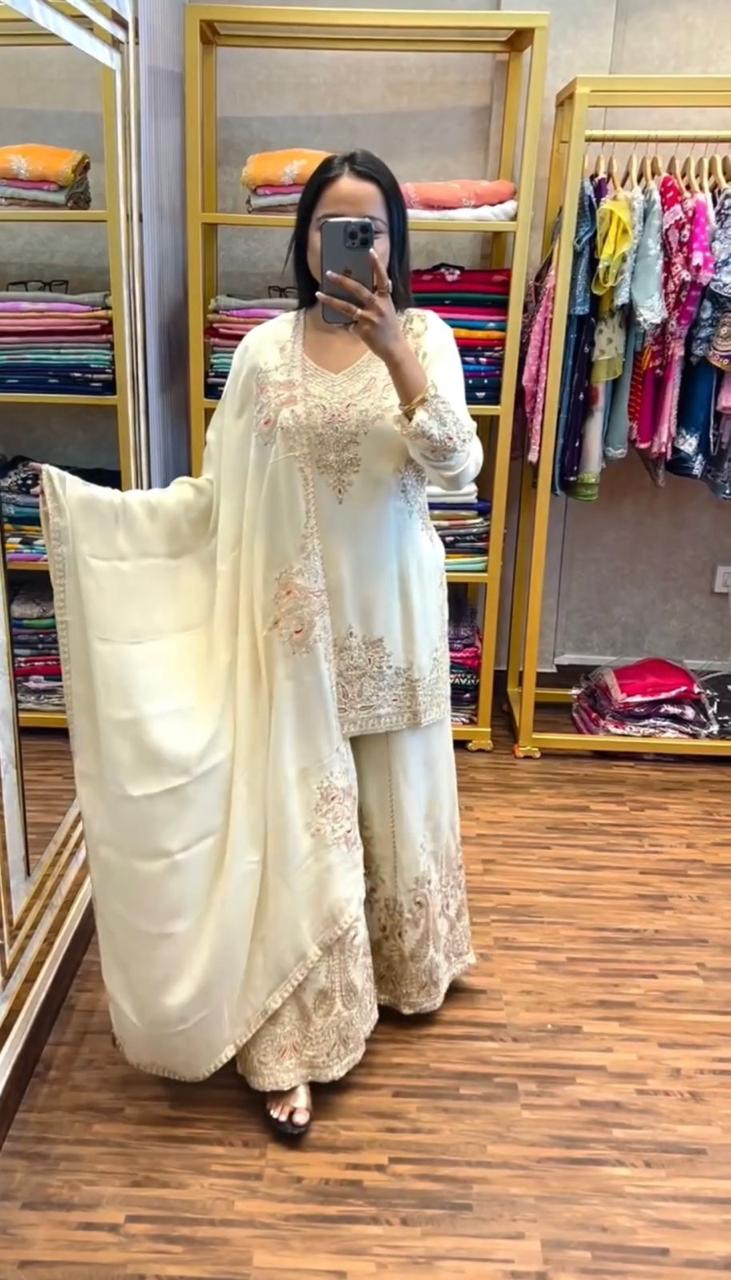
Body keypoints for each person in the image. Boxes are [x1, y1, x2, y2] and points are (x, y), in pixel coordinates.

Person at [41, 150, 480, 1139]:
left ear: (394, 243)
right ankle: (302, 1019)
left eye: (370, 229)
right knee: (298, 820)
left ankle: (403, 966)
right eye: (333, 226)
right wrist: (100, 514)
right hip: (291, 632)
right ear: (304, 237)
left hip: (392, 621)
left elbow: (456, 465)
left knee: (390, 798)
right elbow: (218, 494)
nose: (350, 245)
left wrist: (396, 355)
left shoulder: (427, 337)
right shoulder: (259, 354)